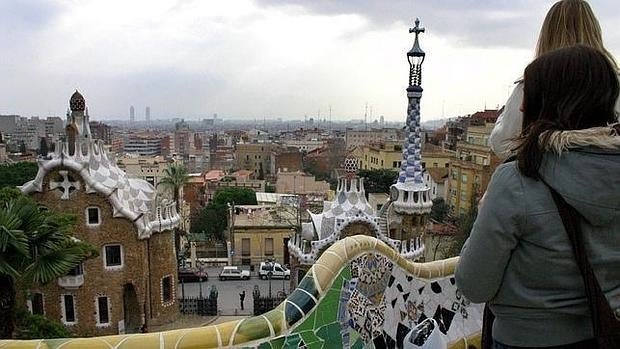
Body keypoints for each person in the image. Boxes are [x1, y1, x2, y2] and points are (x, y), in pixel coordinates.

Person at [456, 45, 620, 348]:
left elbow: (473, 284)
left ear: (552, 102)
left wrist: (484, 213)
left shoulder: (518, 179)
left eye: (529, 95)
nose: (521, 107)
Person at [489, 0, 620, 159]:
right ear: (594, 30)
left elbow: (502, 144)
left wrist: (502, 117)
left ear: (547, 35)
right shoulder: (615, 83)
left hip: (544, 177)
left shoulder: (532, 85)